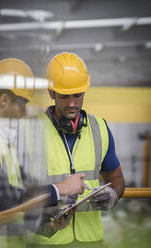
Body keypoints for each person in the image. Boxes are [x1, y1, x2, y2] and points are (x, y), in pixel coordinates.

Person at [0, 58, 86, 247]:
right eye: (22, 102)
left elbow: (14, 202)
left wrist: (49, 226)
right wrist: (60, 188)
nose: (24, 111)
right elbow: (9, 200)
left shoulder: (0, 140)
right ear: (4, 100)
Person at [28, 52, 125, 247]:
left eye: (77, 95)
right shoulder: (30, 131)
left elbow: (117, 179)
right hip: (47, 241)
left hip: (91, 241)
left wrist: (113, 196)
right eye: (64, 96)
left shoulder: (100, 129)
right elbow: (15, 192)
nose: (72, 103)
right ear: (51, 92)